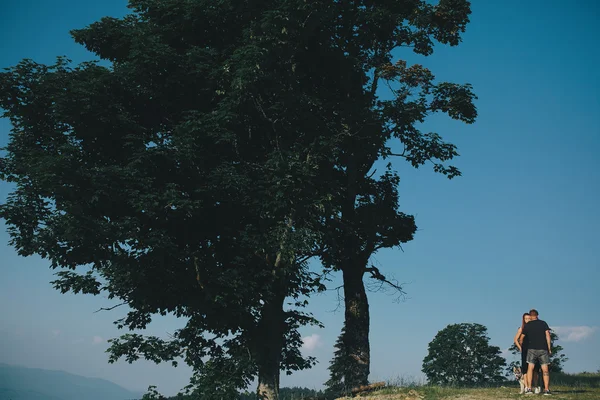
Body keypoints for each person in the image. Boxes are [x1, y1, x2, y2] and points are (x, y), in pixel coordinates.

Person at [520, 309, 552, 395]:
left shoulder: (527, 325)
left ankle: (529, 389)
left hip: (531, 349)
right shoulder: (543, 323)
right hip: (543, 348)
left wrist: (523, 346)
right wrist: (549, 348)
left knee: (530, 368)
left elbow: (521, 338)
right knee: (545, 369)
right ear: (537, 315)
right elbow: (548, 336)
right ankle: (546, 390)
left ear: (530, 316)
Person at [514, 313, 541, 393]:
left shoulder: (535, 328)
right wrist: (520, 348)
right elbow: (516, 340)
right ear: (523, 320)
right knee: (525, 370)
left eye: (529, 318)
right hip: (525, 350)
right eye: (526, 319)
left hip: (535, 350)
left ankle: (536, 387)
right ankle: (526, 387)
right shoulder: (521, 329)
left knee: (535, 369)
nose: (528, 320)